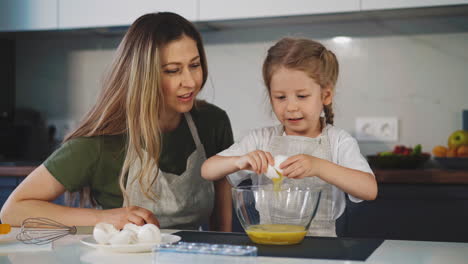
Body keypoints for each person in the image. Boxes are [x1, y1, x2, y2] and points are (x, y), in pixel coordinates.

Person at [0, 12, 233, 231]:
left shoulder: (213, 123)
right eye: (172, 70)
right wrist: (103, 218)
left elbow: (222, 215)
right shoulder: (101, 141)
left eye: (194, 65)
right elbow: (13, 210)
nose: (190, 81)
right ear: (143, 75)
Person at [201, 37, 377, 237]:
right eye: (280, 97)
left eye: (302, 96)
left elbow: (369, 189)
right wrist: (240, 161)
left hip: (322, 249)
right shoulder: (261, 139)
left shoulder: (338, 141)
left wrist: (318, 166)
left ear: (326, 96)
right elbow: (207, 170)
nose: (291, 107)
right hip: (268, 242)